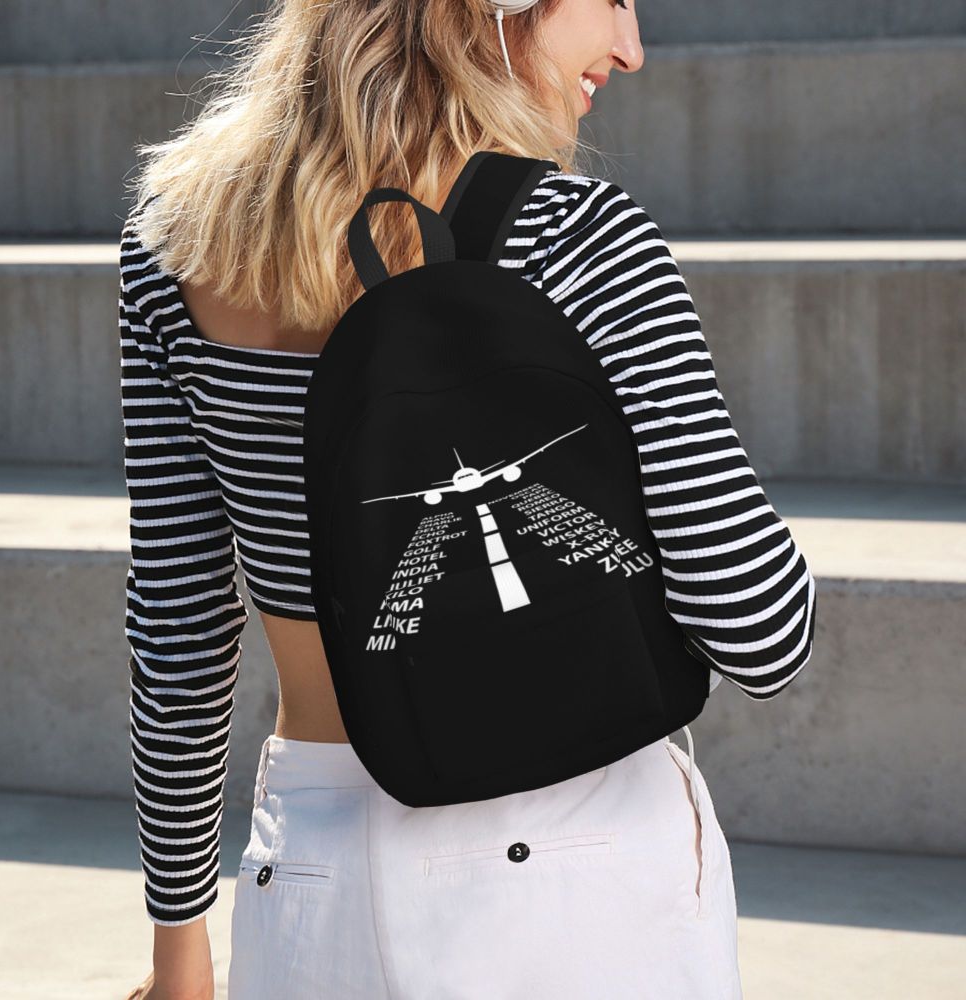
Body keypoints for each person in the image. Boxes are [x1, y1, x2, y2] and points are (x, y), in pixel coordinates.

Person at [119, 1, 817, 997]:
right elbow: (758, 629)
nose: (631, 49)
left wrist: (178, 952)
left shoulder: (175, 246)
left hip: (316, 863)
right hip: (584, 865)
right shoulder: (581, 239)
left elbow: (180, 628)